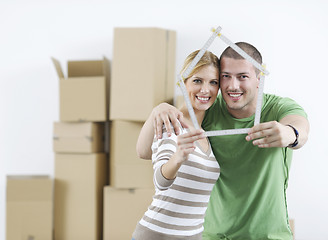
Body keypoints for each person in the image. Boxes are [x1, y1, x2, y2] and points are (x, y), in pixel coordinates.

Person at [136, 42, 310, 240]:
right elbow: (146, 151)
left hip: (268, 235)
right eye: (225, 77)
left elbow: (300, 129)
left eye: (242, 76)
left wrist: (291, 134)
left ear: (258, 79)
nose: (233, 86)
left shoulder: (279, 108)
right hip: (213, 236)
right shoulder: (208, 108)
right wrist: (158, 109)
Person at [132, 50, 221, 240]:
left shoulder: (204, 133)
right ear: (183, 82)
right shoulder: (171, 123)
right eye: (197, 80)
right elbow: (160, 181)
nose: (206, 90)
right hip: (157, 234)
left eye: (213, 82)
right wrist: (178, 157)